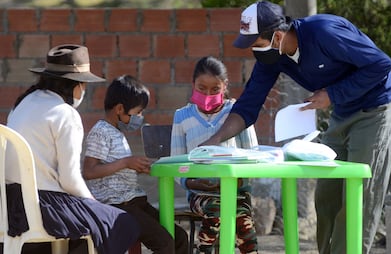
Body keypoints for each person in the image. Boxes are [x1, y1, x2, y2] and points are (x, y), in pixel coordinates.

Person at [201, 0, 391, 254]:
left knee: (359, 196)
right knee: (326, 196)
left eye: (255, 44)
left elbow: (381, 64)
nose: (253, 51)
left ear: (277, 36)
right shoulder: (272, 58)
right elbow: (248, 106)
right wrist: (215, 140)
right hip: (343, 112)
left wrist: (332, 94)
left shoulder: (324, 32)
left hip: (377, 110)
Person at [5, 44, 140, 254]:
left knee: (91, 221)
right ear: (76, 85)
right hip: (44, 206)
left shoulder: (21, 104)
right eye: (84, 85)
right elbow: (70, 180)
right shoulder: (65, 114)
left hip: (9, 205)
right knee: (121, 222)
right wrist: (93, 202)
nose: (83, 91)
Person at [82, 74, 189, 254]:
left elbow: (116, 168)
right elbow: (89, 171)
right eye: (138, 112)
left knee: (179, 237)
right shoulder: (100, 132)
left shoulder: (116, 132)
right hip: (118, 205)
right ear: (119, 109)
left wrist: (136, 168)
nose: (140, 117)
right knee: (164, 244)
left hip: (135, 202)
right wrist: (125, 162)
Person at [170, 56, 259, 254]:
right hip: (200, 194)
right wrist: (192, 183)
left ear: (225, 86)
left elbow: (254, 157)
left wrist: (237, 180)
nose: (208, 94)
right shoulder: (182, 116)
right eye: (201, 88)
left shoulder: (238, 113)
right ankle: (205, 250)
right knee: (216, 209)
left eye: (215, 89)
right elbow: (175, 164)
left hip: (237, 191)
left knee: (243, 222)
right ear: (192, 84)